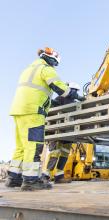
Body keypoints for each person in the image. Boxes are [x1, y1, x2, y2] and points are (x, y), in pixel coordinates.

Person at [6, 47, 84, 191]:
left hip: (18, 110)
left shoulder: (28, 69)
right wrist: (77, 96)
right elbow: (62, 89)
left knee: (21, 146)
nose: (55, 65)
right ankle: (30, 180)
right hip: (34, 111)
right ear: (52, 59)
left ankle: (13, 177)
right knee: (34, 145)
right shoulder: (46, 69)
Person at [43, 82, 83, 184]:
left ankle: (59, 176)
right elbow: (52, 111)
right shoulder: (59, 99)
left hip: (67, 133)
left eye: (75, 91)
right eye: (72, 90)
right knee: (54, 154)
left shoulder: (75, 102)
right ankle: (45, 175)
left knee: (65, 154)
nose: (74, 92)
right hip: (57, 131)